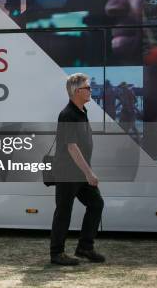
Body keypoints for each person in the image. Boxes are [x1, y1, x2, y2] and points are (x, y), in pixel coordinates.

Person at [50, 73, 105, 266]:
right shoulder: (67, 115)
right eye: (87, 88)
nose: (91, 90)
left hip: (80, 173)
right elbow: (71, 147)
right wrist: (89, 172)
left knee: (96, 204)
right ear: (76, 91)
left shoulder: (82, 112)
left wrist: (86, 172)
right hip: (67, 173)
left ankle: (85, 247)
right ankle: (57, 253)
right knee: (64, 211)